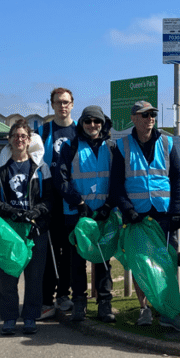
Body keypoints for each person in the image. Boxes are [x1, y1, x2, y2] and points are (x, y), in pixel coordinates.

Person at [111, 100, 180, 332]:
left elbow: (177, 180)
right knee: (141, 263)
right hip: (137, 217)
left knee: (167, 263)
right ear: (134, 118)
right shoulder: (123, 146)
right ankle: (144, 308)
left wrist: (177, 211)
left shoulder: (166, 143)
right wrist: (127, 209)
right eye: (145, 115)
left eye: (152, 114)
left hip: (165, 215)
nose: (150, 119)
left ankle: (169, 313)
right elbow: (116, 184)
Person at [0, 120, 52, 335]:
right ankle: (9, 317)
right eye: (15, 136)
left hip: (34, 228)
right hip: (8, 229)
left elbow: (49, 199)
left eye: (23, 136)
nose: (19, 139)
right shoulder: (0, 168)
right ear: (9, 139)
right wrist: (9, 211)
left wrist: (36, 212)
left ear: (29, 140)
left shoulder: (41, 168)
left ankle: (31, 316)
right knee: (7, 276)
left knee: (34, 276)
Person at [55, 105, 117, 323]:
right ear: (81, 123)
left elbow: (118, 181)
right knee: (76, 262)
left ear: (103, 123)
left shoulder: (112, 147)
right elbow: (61, 180)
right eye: (88, 121)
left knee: (103, 260)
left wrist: (108, 206)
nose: (93, 125)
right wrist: (80, 203)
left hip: (103, 214)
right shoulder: (70, 147)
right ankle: (79, 302)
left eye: (97, 121)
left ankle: (105, 304)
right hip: (77, 214)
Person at [39, 87, 78, 319]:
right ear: (52, 105)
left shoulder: (78, 131)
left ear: (72, 104)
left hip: (72, 200)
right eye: (58, 102)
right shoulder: (43, 131)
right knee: (49, 252)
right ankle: (46, 298)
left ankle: (64, 294)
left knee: (70, 252)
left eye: (66, 102)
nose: (62, 106)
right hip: (50, 202)